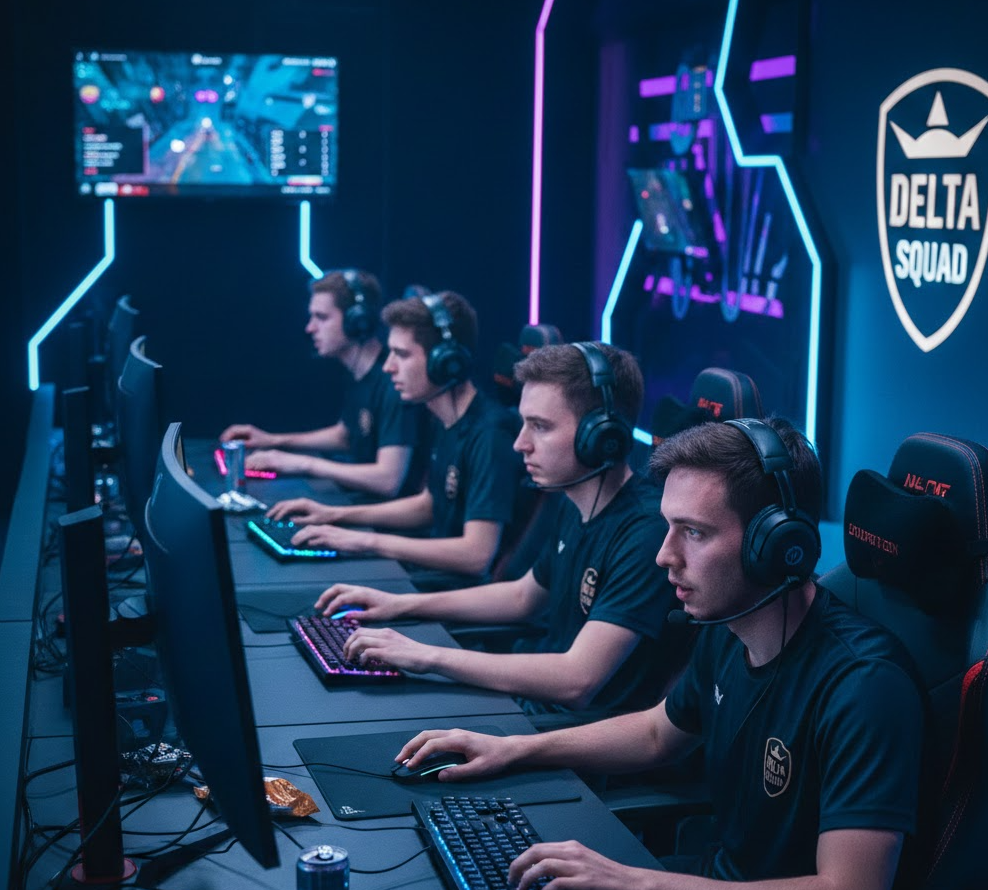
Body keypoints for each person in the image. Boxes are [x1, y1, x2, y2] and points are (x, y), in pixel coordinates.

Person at [390, 417, 927, 890]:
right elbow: (656, 734)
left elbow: (850, 885)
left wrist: (635, 881)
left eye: (693, 532)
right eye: (669, 526)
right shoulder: (728, 625)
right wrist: (514, 749)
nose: (664, 555)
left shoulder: (865, 685)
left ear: (774, 545)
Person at [315, 342, 692, 720]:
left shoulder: (645, 533)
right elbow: (522, 597)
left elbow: (577, 680)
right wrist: (398, 604)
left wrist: (426, 656)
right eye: (524, 423)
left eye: (540, 427)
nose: (520, 443)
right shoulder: (575, 500)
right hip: (529, 702)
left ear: (600, 435)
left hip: (566, 733)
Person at [267, 290, 524, 589]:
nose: (388, 366)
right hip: (430, 575)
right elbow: (429, 505)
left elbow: (475, 555)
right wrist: (334, 515)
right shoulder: (446, 419)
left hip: (457, 593)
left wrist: (366, 541)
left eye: (401, 355)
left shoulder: (490, 435)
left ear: (445, 361)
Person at [219, 269, 428, 498]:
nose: (310, 328)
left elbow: (388, 480)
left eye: (322, 317)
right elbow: (346, 435)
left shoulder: (394, 383)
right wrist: (272, 440)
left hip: (389, 512)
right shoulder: (358, 373)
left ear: (356, 321)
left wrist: (301, 463)